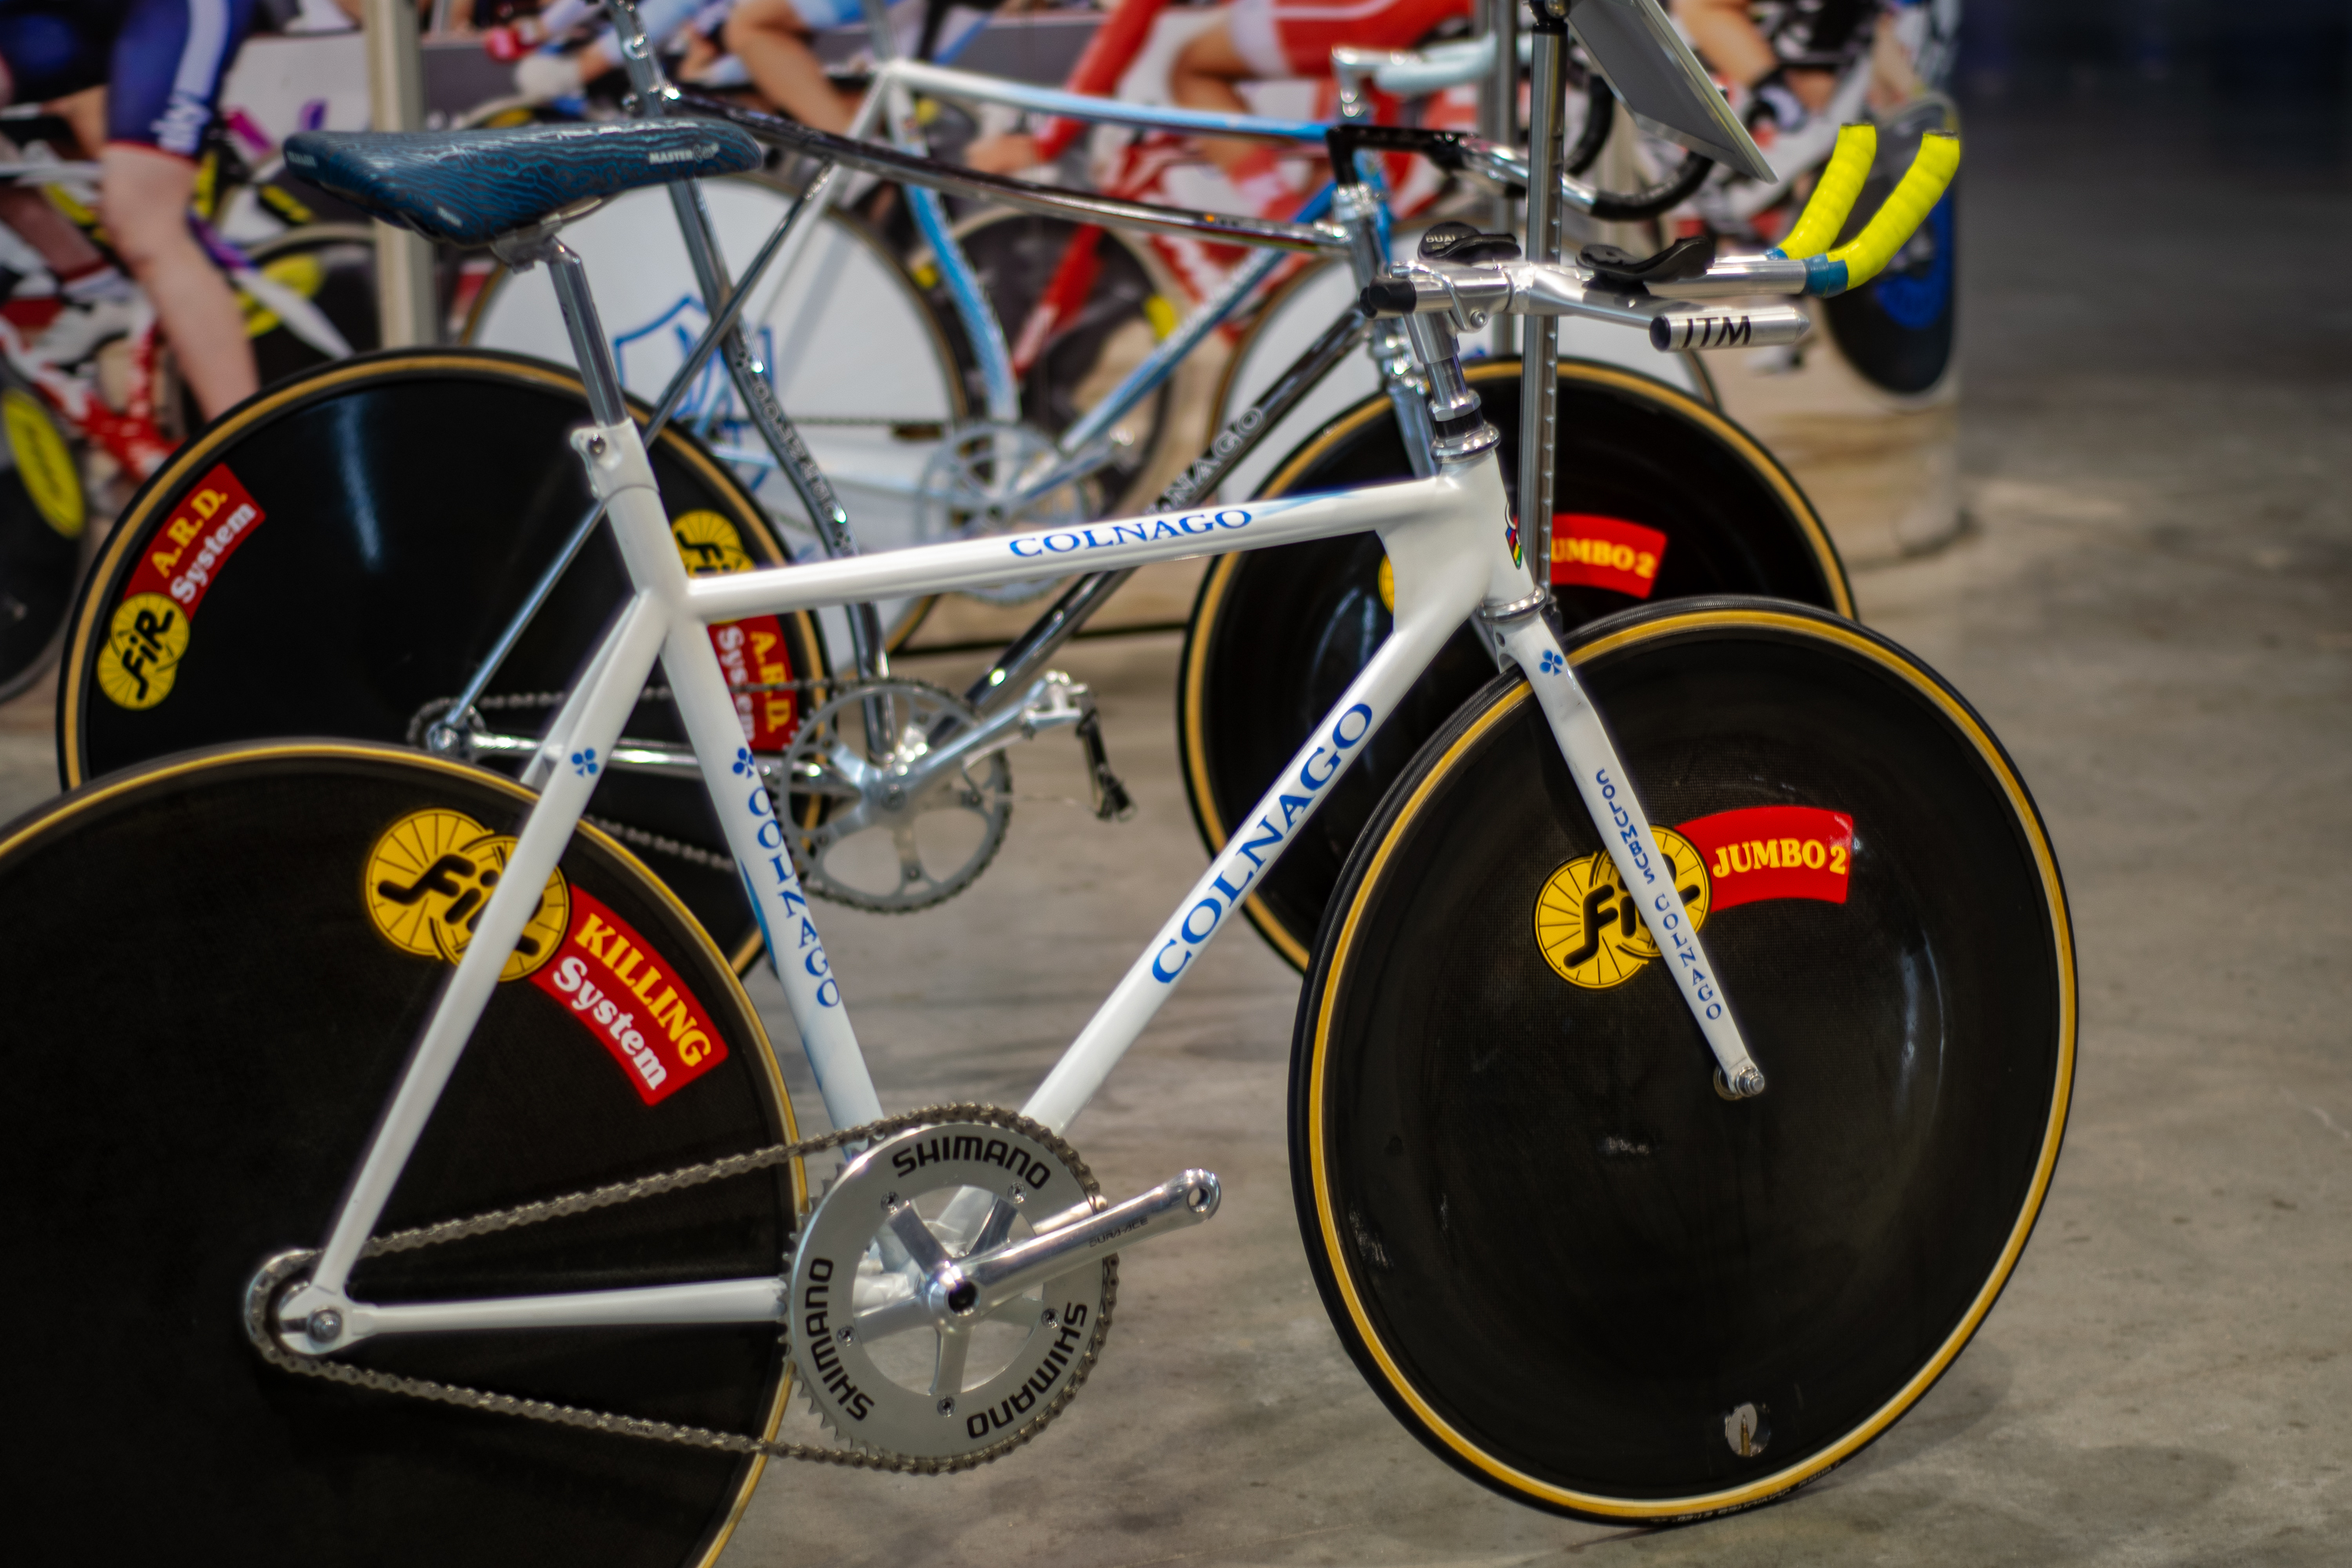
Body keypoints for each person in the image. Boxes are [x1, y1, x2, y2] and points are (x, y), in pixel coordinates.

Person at [0, 0, 261, 420]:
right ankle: (97, 290)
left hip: (166, 10)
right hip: (51, 23)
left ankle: (247, 445)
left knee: (143, 224)